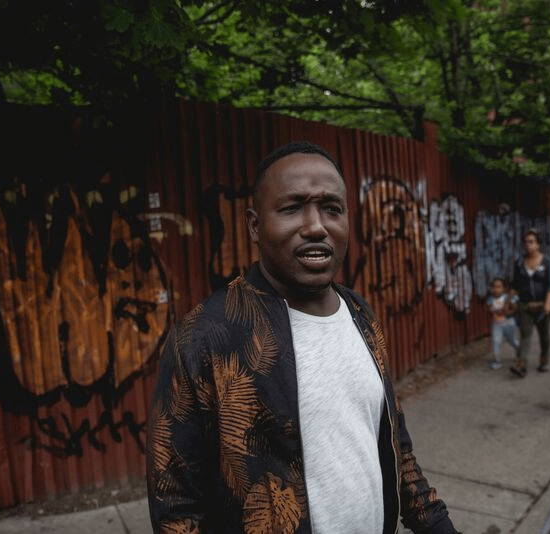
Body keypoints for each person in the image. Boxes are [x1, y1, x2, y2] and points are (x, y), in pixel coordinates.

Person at [147, 141, 460, 534]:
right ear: (255, 226)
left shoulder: (360, 314)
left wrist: (437, 525)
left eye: (332, 209)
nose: (316, 226)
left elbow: (398, 448)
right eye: (292, 208)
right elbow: (175, 503)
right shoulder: (206, 337)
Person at [509, 229, 550, 377]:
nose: (527, 245)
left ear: (538, 244)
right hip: (525, 305)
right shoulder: (519, 263)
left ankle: (544, 360)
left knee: (544, 334)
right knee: (525, 334)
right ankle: (521, 365)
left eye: (531, 242)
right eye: (525, 242)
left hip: (542, 305)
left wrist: (548, 303)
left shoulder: (547, 262)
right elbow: (515, 284)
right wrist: (510, 300)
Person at [486, 277, 519, 369]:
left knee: (512, 340)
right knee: (496, 341)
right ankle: (497, 361)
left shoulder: (507, 297)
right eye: (494, 287)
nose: (496, 289)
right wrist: (491, 310)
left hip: (509, 322)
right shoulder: (490, 298)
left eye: (499, 287)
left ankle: (519, 352)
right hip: (497, 323)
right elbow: (489, 308)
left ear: (504, 288)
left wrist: (508, 307)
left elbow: (514, 309)